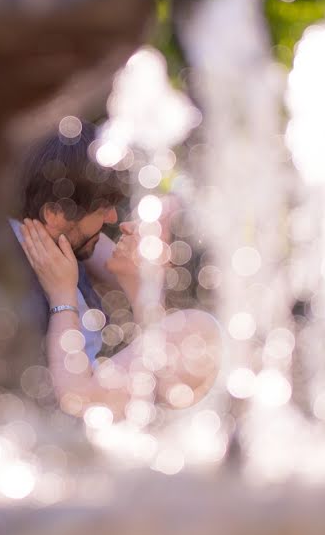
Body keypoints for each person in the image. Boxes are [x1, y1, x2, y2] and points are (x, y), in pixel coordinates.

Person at [14, 120, 221, 419]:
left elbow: (78, 401)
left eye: (147, 224)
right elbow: (67, 233)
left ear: (171, 257)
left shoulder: (195, 334)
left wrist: (62, 295)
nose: (120, 223)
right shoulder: (171, 325)